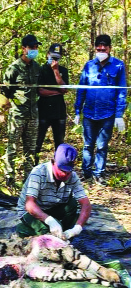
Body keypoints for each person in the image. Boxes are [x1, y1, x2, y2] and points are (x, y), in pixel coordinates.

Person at [74, 34, 127, 185]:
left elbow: (122, 90)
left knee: (102, 145)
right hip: (89, 112)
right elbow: (81, 88)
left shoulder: (118, 65)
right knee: (88, 145)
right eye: (99, 48)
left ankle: (99, 173)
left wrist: (119, 115)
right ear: (95, 48)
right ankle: (87, 173)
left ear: (110, 48)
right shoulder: (89, 65)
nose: (102, 50)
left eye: (105, 48)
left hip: (108, 114)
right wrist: (77, 110)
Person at [16, 143, 92, 240]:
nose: (65, 175)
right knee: (47, 233)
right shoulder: (38, 173)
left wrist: (77, 228)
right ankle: (24, 230)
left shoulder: (72, 177)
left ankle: (63, 235)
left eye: (68, 172)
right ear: (53, 162)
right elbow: (30, 204)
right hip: (30, 211)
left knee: (73, 205)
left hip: (53, 206)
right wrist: (50, 221)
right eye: (62, 170)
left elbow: (86, 204)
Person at [1, 34, 41, 186]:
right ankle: (9, 180)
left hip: (33, 115)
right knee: (12, 148)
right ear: (24, 49)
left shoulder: (37, 67)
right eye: (32, 48)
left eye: (36, 48)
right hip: (17, 114)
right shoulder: (14, 68)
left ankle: (28, 182)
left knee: (30, 150)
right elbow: (5, 91)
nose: (34, 50)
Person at [35, 43, 69, 165]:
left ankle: (58, 167)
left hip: (59, 112)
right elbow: (41, 91)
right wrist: (57, 92)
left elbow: (64, 89)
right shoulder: (40, 70)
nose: (54, 59)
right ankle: (34, 165)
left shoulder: (63, 70)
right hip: (43, 111)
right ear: (47, 54)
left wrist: (56, 71)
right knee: (37, 142)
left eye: (57, 57)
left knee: (59, 142)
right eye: (52, 56)